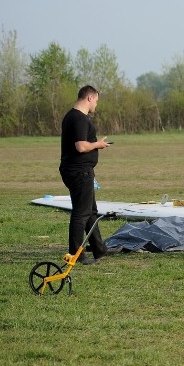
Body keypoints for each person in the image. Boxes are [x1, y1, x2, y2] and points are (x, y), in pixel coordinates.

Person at [59, 85, 111, 264]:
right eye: (96, 100)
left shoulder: (70, 116)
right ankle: (76, 255)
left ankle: (99, 249)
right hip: (79, 171)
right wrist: (97, 144)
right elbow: (81, 146)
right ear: (89, 98)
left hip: (77, 170)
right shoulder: (79, 118)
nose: (96, 104)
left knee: (90, 212)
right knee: (82, 213)